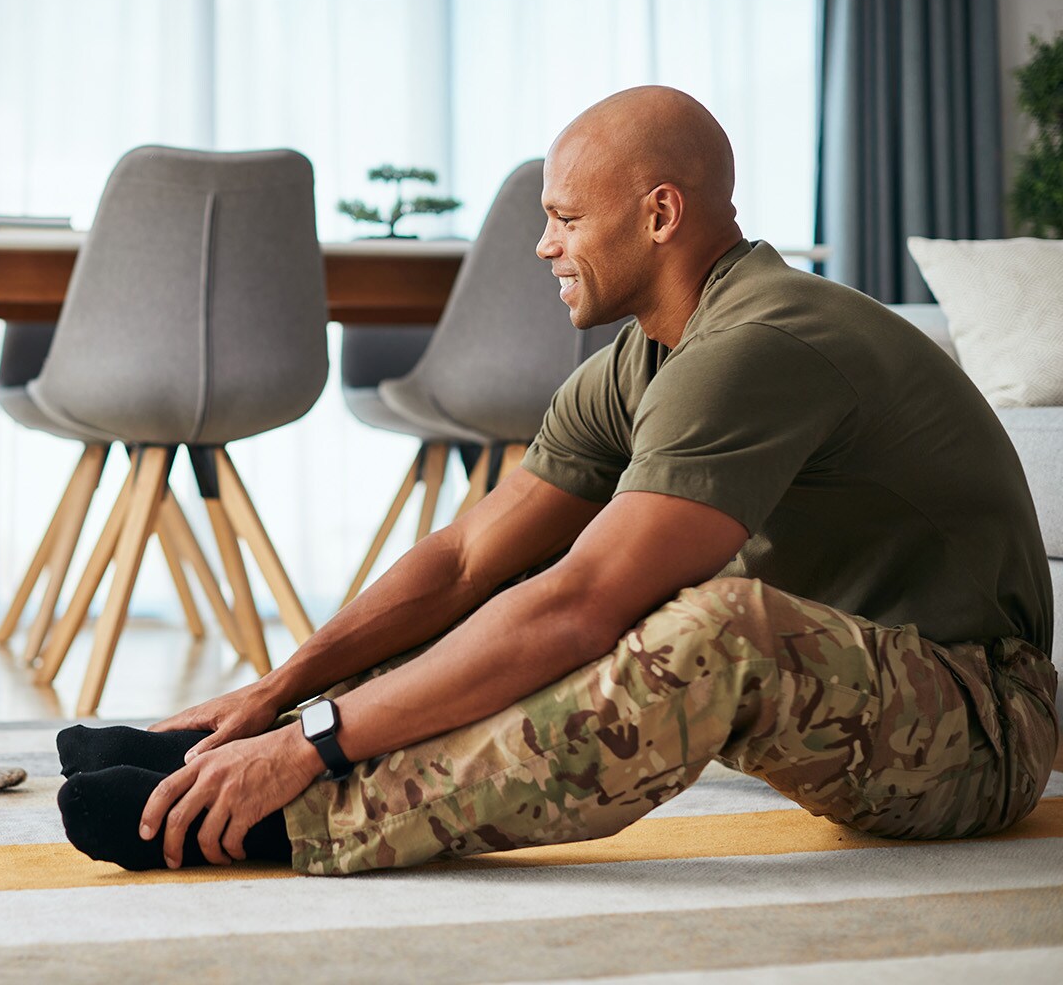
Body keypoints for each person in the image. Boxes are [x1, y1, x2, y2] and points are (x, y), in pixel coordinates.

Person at [53, 85, 1057, 876]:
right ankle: (222, 763)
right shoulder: (644, 357)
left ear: (660, 214)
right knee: (515, 593)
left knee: (710, 624)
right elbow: (462, 561)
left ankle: (308, 816)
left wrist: (315, 751)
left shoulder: (759, 344)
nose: (544, 245)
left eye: (567, 218)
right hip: (857, 693)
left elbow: (582, 607)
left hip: (981, 725)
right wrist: (283, 694)